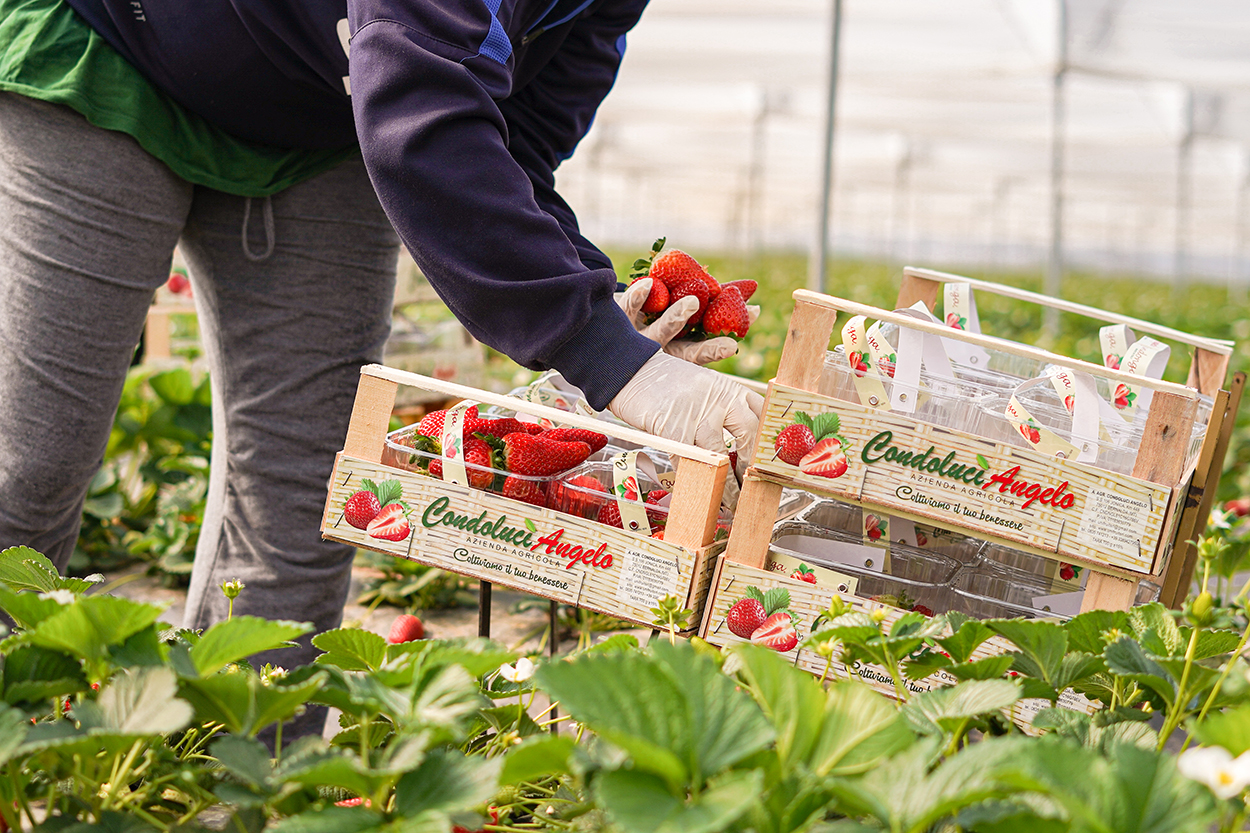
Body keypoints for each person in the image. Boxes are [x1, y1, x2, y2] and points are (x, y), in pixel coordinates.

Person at [0, 0, 762, 737]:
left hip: (325, 129)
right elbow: (424, 101)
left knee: (304, 494)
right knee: (33, 462)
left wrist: (614, 322)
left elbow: (511, 152)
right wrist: (615, 365)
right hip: (117, 50)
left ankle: (251, 776)